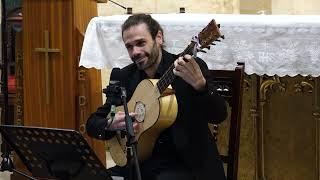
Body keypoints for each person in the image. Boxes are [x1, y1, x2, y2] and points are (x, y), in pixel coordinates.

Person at [86, 13, 227, 180]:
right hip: (140, 164)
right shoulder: (124, 76)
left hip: (187, 164)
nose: (135, 52)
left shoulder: (188, 69)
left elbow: (219, 115)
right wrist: (110, 122)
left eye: (140, 43)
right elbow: (98, 119)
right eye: (129, 46)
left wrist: (201, 87)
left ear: (159, 37)